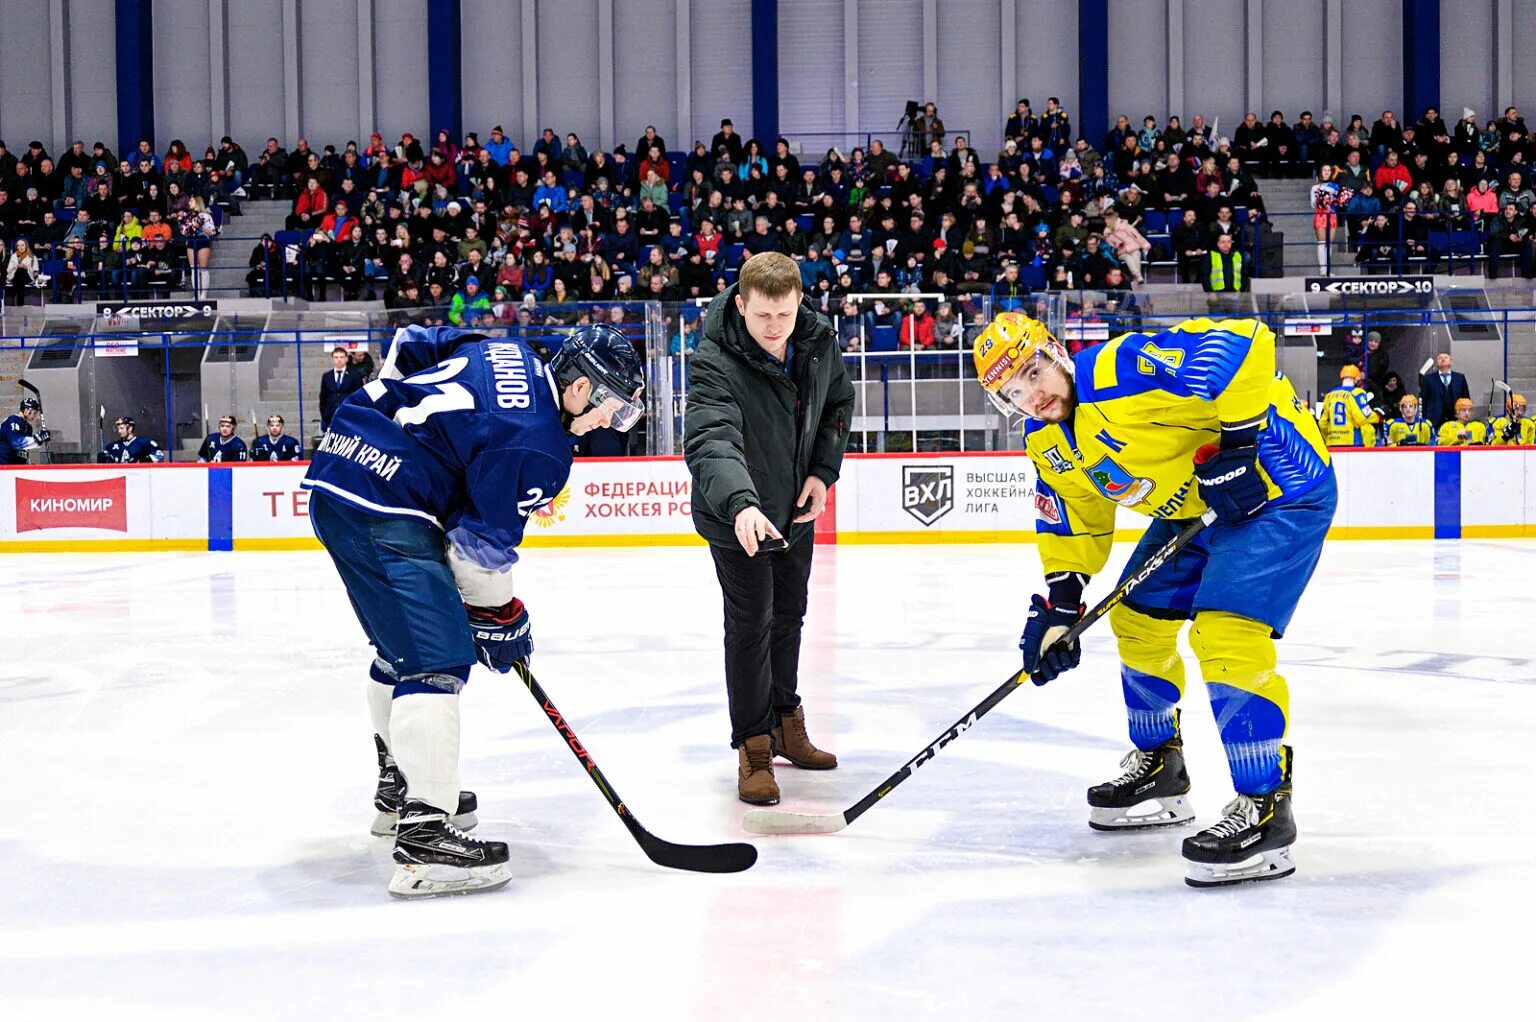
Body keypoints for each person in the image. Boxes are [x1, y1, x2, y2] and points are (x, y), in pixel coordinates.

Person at [973, 312, 1335, 887]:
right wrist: (1061, 607)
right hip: (1200, 507)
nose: (1033, 394)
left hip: (1278, 487)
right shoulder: (1046, 441)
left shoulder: (1123, 368)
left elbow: (1245, 345)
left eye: (1035, 371)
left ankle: (1265, 806)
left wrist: (1239, 444)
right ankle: (1161, 767)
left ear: (1055, 352)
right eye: (1014, 391)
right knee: (1137, 619)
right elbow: (1072, 522)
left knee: (1225, 635)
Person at [301, 323, 645, 899]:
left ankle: (403, 785)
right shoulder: (539, 444)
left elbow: (413, 340)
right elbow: (478, 550)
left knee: (400, 648)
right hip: (387, 506)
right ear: (581, 388)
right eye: (611, 406)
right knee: (437, 657)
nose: (610, 423)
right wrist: (499, 614)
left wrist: (390, 431)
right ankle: (426, 837)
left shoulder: (509, 349)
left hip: (343, 468)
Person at [682, 252, 855, 806]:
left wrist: (821, 474)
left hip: (793, 509)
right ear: (740, 305)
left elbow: (836, 406)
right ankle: (754, 744)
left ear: (799, 302)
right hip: (737, 517)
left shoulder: (818, 341)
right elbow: (712, 439)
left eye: (783, 314)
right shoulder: (714, 358)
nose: (774, 328)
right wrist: (741, 504)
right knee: (752, 623)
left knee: (790, 615)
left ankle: (786, 720)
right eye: (762, 317)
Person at [1318, 365, 1380, 446]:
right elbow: (1363, 417)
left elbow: (1322, 423)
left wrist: (1329, 438)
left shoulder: (1329, 395)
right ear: (1357, 379)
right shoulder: (1357, 393)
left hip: (1332, 442)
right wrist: (1378, 416)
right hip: (1352, 442)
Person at [319, 345, 366, 434]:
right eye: (336, 357)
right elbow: (323, 397)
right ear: (332, 359)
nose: (339, 359)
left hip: (349, 415)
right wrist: (324, 415)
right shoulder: (327, 376)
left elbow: (359, 396)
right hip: (330, 416)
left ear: (346, 359)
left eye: (341, 357)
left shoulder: (355, 375)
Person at [1419, 352, 1470, 428]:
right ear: (1437, 363)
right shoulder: (1428, 379)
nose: (1443, 359)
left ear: (1451, 361)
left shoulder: (1460, 378)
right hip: (1435, 421)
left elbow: (1466, 399)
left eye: (1445, 357)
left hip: (1457, 420)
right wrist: (1424, 421)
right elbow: (1423, 401)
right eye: (1440, 358)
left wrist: (1465, 416)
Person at [0, 397, 49, 464]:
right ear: (27, 411)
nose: (35, 416)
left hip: (15, 467)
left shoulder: (28, 427)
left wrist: (27, 464)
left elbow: (24, 450)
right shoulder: (13, 420)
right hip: (4, 466)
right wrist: (37, 439)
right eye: (34, 413)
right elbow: (16, 443)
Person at [99, 416, 164, 462]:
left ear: (130, 429)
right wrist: (104, 458)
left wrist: (144, 461)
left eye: (122, 428)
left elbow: (159, 454)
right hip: (120, 479)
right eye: (118, 429)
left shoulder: (144, 443)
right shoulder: (113, 446)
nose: (119, 431)